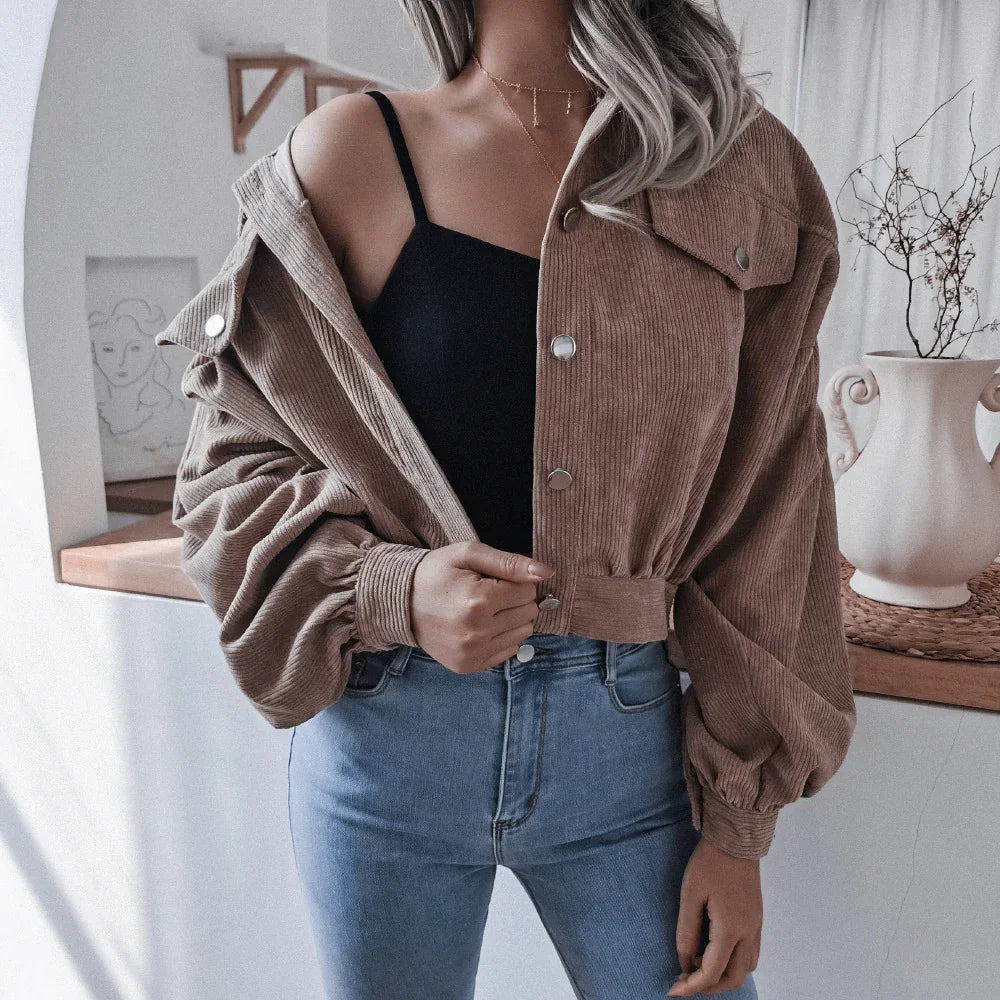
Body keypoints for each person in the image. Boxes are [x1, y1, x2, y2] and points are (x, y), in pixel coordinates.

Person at [155, 1, 858, 997]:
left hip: (634, 758)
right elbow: (224, 475)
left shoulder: (741, 170)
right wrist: (393, 587)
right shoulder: (354, 151)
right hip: (388, 745)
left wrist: (739, 827)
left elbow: (775, 510)